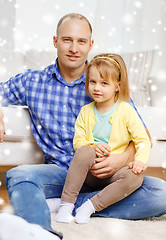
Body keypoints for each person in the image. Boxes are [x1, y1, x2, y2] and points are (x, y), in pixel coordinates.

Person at [0, 12, 165, 232]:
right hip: (61, 173)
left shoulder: (105, 80)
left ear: (90, 45)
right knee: (19, 176)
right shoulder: (33, 82)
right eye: (67, 40)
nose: (74, 49)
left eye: (81, 41)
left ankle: (70, 204)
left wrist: (121, 159)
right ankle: (39, 234)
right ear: (55, 41)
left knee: (161, 193)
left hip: (106, 174)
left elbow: (142, 135)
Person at [55, 53, 151, 224]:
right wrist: (92, 146)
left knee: (136, 177)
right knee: (84, 151)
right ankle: (66, 205)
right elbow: (78, 141)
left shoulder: (126, 111)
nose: (97, 88)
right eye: (93, 82)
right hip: (91, 172)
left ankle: (90, 206)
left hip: (115, 172)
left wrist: (140, 160)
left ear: (117, 86)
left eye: (104, 83)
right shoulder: (86, 111)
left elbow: (142, 140)